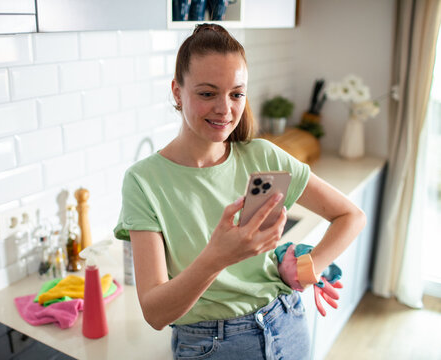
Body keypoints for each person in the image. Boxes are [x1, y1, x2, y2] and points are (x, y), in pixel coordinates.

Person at [114, 24, 366, 359]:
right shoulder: (144, 181)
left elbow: (350, 215)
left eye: (236, 94)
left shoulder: (263, 156)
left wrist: (307, 270)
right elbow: (156, 313)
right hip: (212, 345)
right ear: (177, 91)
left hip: (285, 322)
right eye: (207, 94)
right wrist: (218, 257)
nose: (225, 109)